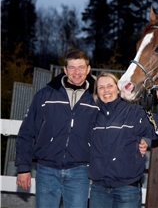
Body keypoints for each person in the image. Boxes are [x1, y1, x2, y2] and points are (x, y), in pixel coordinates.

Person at [15, 50, 148, 208]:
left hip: (79, 172)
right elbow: (27, 132)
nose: (76, 72)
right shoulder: (45, 96)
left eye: (80, 67)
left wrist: (139, 140)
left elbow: (116, 123)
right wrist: (23, 167)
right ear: (65, 70)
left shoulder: (97, 99)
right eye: (72, 67)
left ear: (88, 69)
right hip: (47, 170)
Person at [88, 72, 158, 208]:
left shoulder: (133, 112)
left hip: (127, 188)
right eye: (101, 87)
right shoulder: (92, 115)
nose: (106, 91)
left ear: (118, 89)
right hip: (99, 189)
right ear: (96, 92)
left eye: (110, 86)